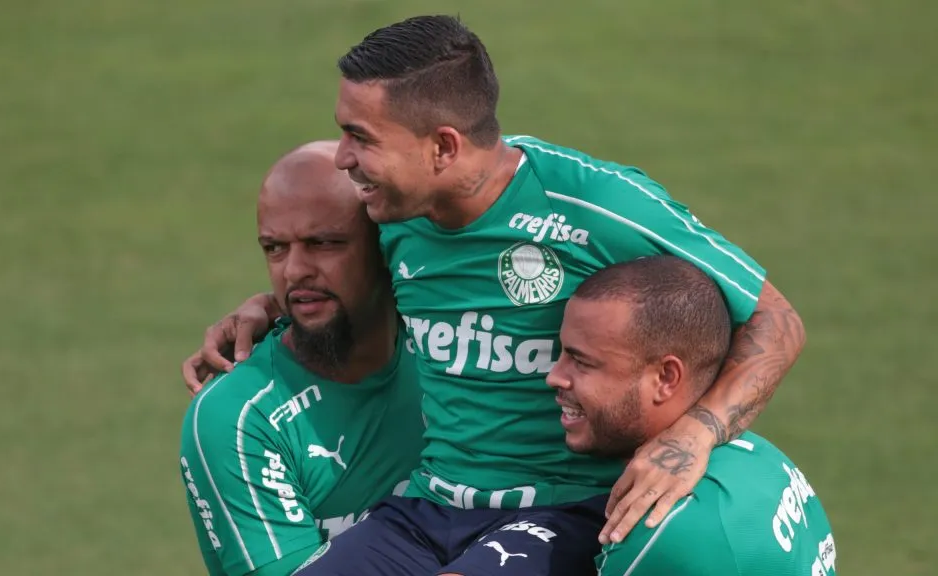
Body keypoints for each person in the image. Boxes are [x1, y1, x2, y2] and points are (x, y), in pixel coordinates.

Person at [184, 14, 807, 575]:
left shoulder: (595, 204)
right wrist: (267, 306)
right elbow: (339, 278)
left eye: (362, 138)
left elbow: (776, 321)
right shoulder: (394, 214)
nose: (344, 159)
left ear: (444, 147)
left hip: (565, 510)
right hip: (427, 510)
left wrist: (696, 433)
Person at [179, 141, 425, 576]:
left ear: (387, 244)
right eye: (274, 248)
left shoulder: (448, 343)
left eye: (324, 243)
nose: (293, 271)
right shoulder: (240, 417)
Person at [547, 255, 835, 575]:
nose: (554, 377)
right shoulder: (759, 455)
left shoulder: (660, 530)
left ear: (665, 378)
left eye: (582, 362)